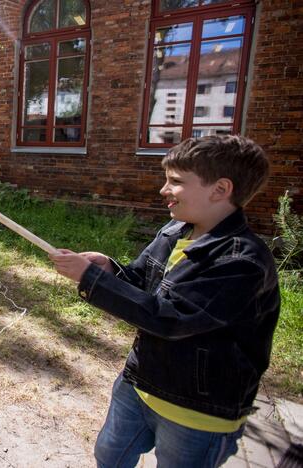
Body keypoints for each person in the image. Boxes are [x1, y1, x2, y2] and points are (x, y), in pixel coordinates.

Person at [49, 135, 280, 467]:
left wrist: (91, 279)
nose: (163, 190)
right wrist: (109, 270)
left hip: (198, 411)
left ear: (220, 189)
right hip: (142, 382)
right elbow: (142, 284)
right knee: (109, 455)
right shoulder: (174, 232)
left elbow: (170, 319)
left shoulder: (241, 262)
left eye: (176, 181)